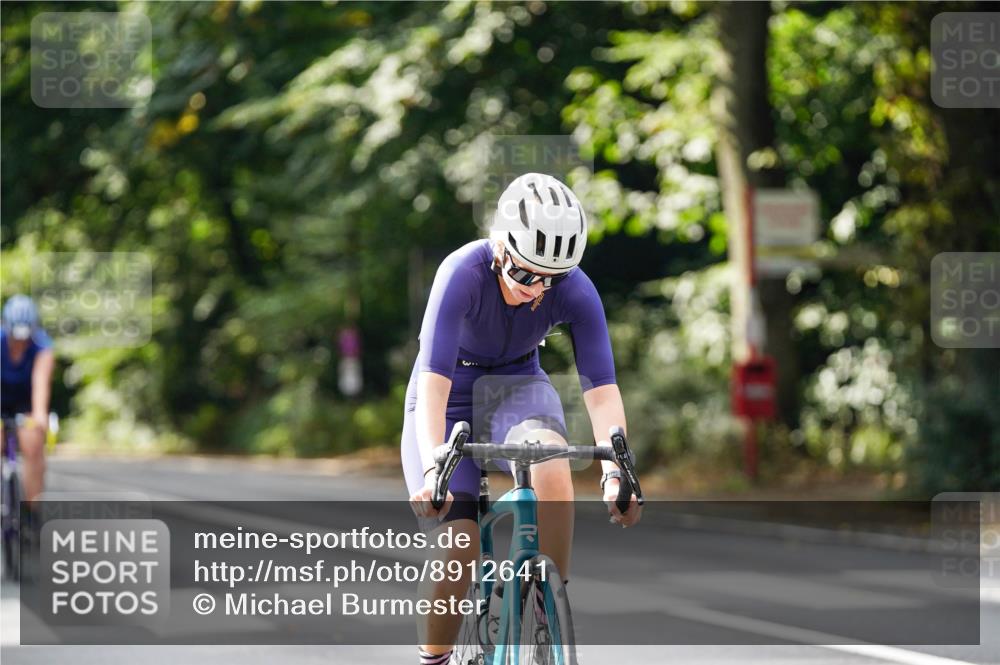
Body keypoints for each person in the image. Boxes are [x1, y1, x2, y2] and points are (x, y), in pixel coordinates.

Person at [401, 173, 642, 664]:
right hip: (450, 393)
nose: (539, 292)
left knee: (554, 469)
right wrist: (433, 468)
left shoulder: (574, 288)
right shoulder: (461, 272)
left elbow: (600, 387)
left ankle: (545, 613)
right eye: (527, 275)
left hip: (519, 386)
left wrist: (618, 470)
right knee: (458, 545)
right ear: (499, 248)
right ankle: (434, 659)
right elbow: (434, 379)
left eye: (552, 279)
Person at [1, 295, 55, 507]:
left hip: (26, 403)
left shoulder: (42, 345)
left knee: (33, 444)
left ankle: (31, 512)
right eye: (16, 335)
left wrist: (40, 415)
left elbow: (40, 382)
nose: (21, 341)